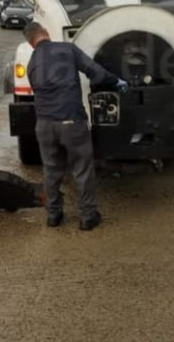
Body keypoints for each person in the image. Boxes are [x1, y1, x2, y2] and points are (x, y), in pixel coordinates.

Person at [22, 22, 127, 231]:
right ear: (46, 33)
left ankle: (53, 215)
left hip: (44, 124)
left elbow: (37, 90)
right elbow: (94, 71)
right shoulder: (67, 49)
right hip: (70, 120)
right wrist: (115, 81)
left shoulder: (32, 63)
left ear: (31, 43)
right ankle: (88, 216)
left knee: (51, 170)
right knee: (82, 168)